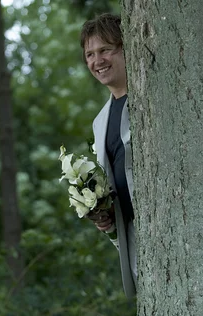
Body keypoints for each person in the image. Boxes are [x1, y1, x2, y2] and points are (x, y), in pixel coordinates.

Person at [80, 14, 137, 297]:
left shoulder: (145, 99)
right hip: (135, 240)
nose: (96, 60)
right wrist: (105, 215)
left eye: (105, 50)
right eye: (90, 54)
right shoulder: (99, 121)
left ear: (126, 47)